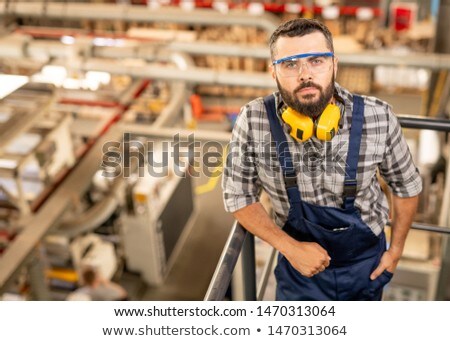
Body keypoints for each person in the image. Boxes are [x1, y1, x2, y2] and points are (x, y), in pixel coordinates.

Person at [222, 18, 422, 300]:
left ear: (334, 65)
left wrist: (396, 251)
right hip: (298, 272)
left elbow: (406, 186)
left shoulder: (377, 117)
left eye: (316, 60)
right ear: (274, 73)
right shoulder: (254, 120)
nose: (305, 74)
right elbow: (237, 196)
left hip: (367, 267)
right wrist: (289, 248)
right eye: (290, 64)